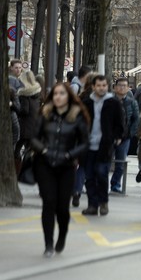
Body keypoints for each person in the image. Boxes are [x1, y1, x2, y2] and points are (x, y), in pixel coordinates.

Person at [30, 83, 90, 257]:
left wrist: (69, 154)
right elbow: (34, 138)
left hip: (66, 165)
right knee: (48, 202)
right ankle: (48, 244)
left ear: (68, 96)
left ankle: (62, 235)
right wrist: (44, 150)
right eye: (55, 93)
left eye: (61, 93)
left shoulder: (77, 116)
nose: (57, 97)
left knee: (62, 207)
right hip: (45, 164)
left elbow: (84, 143)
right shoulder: (45, 113)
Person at [81, 75, 125, 217]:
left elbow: (120, 122)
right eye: (98, 85)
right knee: (89, 176)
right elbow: (80, 122)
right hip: (88, 145)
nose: (101, 88)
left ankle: (103, 202)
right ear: (93, 87)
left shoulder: (113, 102)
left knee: (101, 173)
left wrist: (118, 137)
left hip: (104, 144)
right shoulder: (87, 102)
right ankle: (92, 205)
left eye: (104, 85)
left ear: (107, 86)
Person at [110, 78, 139, 193]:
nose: (122, 87)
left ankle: (115, 184)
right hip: (110, 137)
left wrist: (130, 134)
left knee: (121, 163)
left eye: (124, 86)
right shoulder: (110, 101)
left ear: (128, 88)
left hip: (125, 137)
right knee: (106, 161)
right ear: (115, 87)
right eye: (120, 85)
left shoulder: (132, 102)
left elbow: (135, 120)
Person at [15, 70, 42, 163]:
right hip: (34, 124)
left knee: (17, 148)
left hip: (25, 125)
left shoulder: (24, 94)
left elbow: (24, 110)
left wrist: (15, 107)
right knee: (29, 149)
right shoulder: (37, 92)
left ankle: (17, 168)